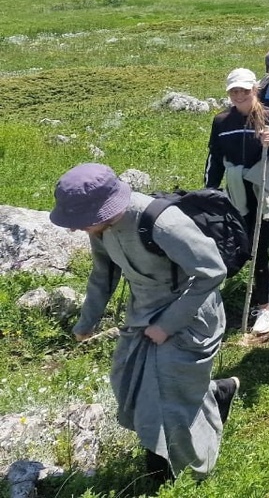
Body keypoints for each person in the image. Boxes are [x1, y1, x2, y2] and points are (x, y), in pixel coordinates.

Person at [52, 163, 239, 485]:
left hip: (190, 315)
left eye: (80, 221)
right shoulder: (100, 227)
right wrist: (88, 321)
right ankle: (218, 393)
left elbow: (212, 272)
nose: (75, 229)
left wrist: (167, 325)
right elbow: (103, 273)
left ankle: (173, 475)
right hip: (143, 314)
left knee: (164, 396)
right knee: (128, 383)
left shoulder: (162, 223)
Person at [204, 68, 269, 336]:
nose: (239, 95)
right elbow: (215, 158)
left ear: (255, 89)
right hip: (235, 192)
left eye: (244, 90)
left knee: (258, 248)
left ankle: (264, 308)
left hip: (263, 190)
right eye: (234, 91)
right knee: (243, 248)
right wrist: (209, 191)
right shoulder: (221, 122)